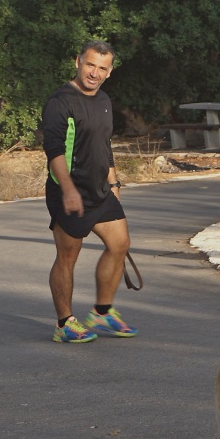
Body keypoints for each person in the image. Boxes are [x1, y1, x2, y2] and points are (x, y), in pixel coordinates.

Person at [40, 41, 137, 343]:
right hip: (68, 192)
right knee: (68, 256)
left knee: (119, 244)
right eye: (90, 64)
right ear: (78, 62)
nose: (94, 72)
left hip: (100, 190)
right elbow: (54, 150)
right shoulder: (61, 102)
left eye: (102, 68)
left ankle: (102, 313)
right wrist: (68, 190)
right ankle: (64, 323)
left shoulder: (104, 100)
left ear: (109, 72)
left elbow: (103, 145)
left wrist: (114, 181)